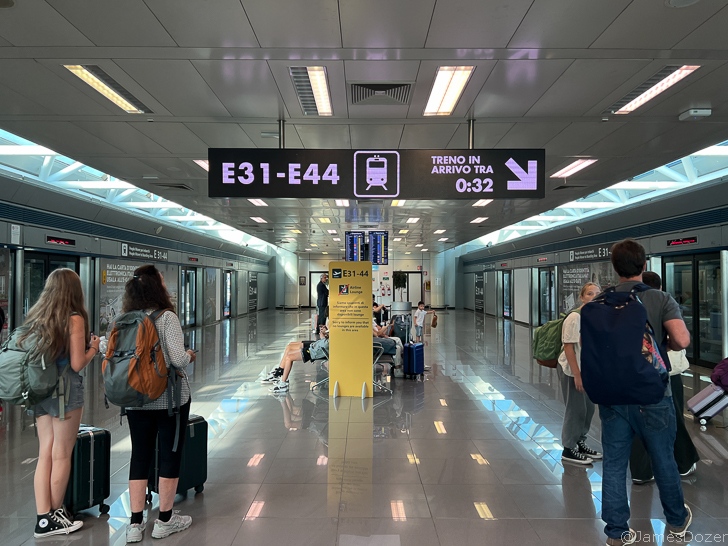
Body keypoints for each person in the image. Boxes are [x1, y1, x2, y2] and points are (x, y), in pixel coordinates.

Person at [594, 239, 692, 546]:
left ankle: (616, 533)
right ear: (644, 265)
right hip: (652, 394)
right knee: (663, 458)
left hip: (612, 394)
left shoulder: (599, 302)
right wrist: (667, 344)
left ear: (614, 268)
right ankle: (676, 522)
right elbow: (682, 339)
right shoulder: (660, 298)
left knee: (613, 463)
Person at [121, 265, 197, 543]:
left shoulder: (125, 318)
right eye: (163, 282)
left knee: (139, 455)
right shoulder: (166, 318)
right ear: (157, 287)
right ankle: (164, 520)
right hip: (169, 400)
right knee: (170, 454)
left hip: (135, 399)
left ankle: (135, 522)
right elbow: (177, 360)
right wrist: (190, 355)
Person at [24, 269, 100, 538]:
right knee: (62, 453)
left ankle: (43, 517)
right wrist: (94, 347)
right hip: (65, 391)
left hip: (38, 389)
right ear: (74, 290)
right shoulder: (74, 318)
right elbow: (77, 363)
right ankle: (55, 515)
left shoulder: (37, 316)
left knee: (45, 452)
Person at [629, 271, 700, 484]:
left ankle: (641, 471)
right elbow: (680, 339)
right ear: (659, 287)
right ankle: (683, 462)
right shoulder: (664, 302)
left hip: (637, 373)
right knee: (673, 418)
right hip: (668, 372)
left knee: (638, 420)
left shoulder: (628, 303)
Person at [557, 282, 602, 465]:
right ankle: (569, 448)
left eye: (597, 294)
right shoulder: (575, 317)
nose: (594, 297)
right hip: (572, 368)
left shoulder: (595, 317)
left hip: (588, 369)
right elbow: (569, 347)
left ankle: (580, 443)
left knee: (589, 409)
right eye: (590, 294)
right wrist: (577, 375)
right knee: (576, 409)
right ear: (582, 297)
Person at [264, 332, 329, 394]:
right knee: (288, 353)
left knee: (289, 357)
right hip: (316, 347)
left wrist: (323, 337)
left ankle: (283, 384)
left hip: (315, 351)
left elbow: (326, 344)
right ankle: (283, 375)